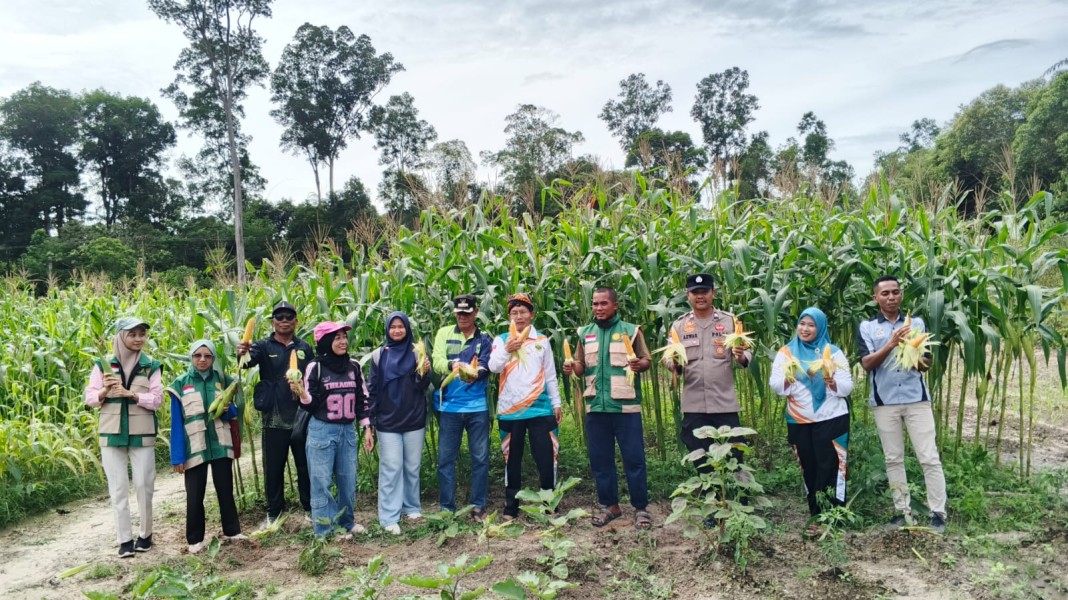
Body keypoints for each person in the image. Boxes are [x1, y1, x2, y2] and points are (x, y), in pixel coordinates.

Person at [859, 275, 947, 533]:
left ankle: (938, 514)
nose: (891, 297)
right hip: (884, 402)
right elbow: (867, 364)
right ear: (875, 298)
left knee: (929, 457)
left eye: (895, 292)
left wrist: (915, 355)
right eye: (884, 293)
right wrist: (892, 344)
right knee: (893, 458)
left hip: (916, 400)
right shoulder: (867, 327)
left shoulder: (916, 323)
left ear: (901, 295)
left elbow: (926, 364)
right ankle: (902, 511)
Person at [562, 287, 654, 530]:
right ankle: (609, 505)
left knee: (634, 459)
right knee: (601, 460)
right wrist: (573, 368)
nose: (598, 308)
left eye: (603, 304)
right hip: (596, 406)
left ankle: (641, 508)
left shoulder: (631, 330)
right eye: (595, 304)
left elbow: (646, 360)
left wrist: (638, 365)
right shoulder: (586, 333)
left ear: (615, 306)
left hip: (625, 406)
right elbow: (581, 364)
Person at [768, 308, 853, 533]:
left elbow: (847, 387)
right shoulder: (786, 352)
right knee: (810, 468)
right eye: (802, 323)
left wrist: (831, 381)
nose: (805, 329)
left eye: (811, 325)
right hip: (799, 420)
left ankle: (834, 516)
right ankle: (816, 516)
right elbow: (776, 386)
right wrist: (789, 376)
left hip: (832, 418)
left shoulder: (833, 353)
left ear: (821, 327)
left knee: (832, 467)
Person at [84, 317, 163, 558]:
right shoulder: (102, 365)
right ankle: (124, 539)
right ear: (121, 336)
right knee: (118, 488)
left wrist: (132, 395)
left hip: (142, 433)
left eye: (142, 334)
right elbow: (89, 399)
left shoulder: (152, 365)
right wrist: (106, 390)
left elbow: (157, 400)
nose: (139, 339)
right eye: (133, 334)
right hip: (112, 433)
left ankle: (145, 535)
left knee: (143, 485)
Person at [236, 301, 314, 528]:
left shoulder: (304, 348)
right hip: (274, 416)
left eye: (289, 316)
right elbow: (246, 364)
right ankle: (274, 512)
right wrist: (241, 352)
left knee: (305, 465)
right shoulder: (262, 346)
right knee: (274, 467)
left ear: (296, 321)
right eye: (279, 317)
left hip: (301, 416)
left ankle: (310, 508)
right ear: (273, 322)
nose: (284, 320)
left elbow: (312, 376)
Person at [664, 274, 752, 469]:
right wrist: (675, 362)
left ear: (713, 293)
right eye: (695, 292)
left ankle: (738, 497)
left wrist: (740, 356)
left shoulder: (730, 322)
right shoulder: (679, 326)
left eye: (704, 291)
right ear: (688, 295)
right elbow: (668, 359)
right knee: (701, 460)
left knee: (734, 457)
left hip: (724, 405)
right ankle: (708, 496)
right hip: (694, 407)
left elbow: (747, 353)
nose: (700, 296)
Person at [488, 293, 563, 520]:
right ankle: (512, 505)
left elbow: (550, 375)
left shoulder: (542, 341)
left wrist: (557, 402)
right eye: (514, 313)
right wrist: (507, 349)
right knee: (512, 458)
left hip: (540, 408)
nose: (518, 316)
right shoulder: (501, 340)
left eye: (523, 312)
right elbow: (493, 367)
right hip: (510, 410)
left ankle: (549, 502)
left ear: (532, 314)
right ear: (509, 316)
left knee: (546, 457)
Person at [167, 340, 245, 553]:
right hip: (195, 445)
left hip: (220, 443)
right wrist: (177, 457)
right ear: (191, 357)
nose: (202, 360)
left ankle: (232, 531)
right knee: (194, 495)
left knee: (225, 490)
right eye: (197, 355)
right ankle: (194, 540)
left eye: (207, 356)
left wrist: (229, 410)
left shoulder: (223, 381)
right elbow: (176, 423)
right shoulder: (180, 384)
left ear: (213, 359)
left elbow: (234, 414)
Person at [298, 321, 374, 538]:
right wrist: (301, 393)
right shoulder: (316, 367)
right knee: (321, 482)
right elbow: (309, 403)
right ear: (325, 342)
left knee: (348, 480)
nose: (342, 341)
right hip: (322, 430)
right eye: (337, 338)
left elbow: (362, 399)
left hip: (347, 430)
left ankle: (347, 522)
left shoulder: (354, 366)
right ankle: (325, 529)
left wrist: (367, 427)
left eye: (344, 337)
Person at [367, 312, 432, 535]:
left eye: (400, 326)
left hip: (414, 417)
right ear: (387, 329)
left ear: (407, 328)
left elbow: (422, 386)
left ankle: (411, 507)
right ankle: (388, 516)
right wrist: (371, 421)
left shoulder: (417, 352)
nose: (396, 330)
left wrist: (425, 373)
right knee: (391, 467)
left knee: (412, 467)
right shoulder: (378, 356)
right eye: (393, 327)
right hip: (387, 420)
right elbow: (372, 390)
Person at [431, 294, 493, 519]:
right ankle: (447, 509)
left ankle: (478, 506)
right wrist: (451, 364)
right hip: (449, 408)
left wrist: (477, 373)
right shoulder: (444, 334)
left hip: (477, 407)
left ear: (476, 312)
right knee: (445, 460)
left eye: (467, 313)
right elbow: (437, 361)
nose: (462, 317)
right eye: (459, 313)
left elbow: (487, 365)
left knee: (480, 458)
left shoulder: (484, 339)